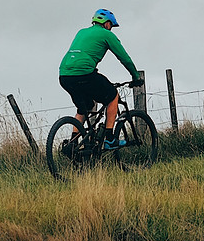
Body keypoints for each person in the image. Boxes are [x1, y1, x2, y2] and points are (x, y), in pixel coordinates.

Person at [58, 9, 143, 151]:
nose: (111, 28)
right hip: (84, 74)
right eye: (111, 25)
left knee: (84, 107)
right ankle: (109, 139)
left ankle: (73, 143)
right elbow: (124, 58)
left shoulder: (81, 32)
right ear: (106, 23)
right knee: (112, 96)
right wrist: (135, 77)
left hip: (65, 75)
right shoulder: (106, 34)